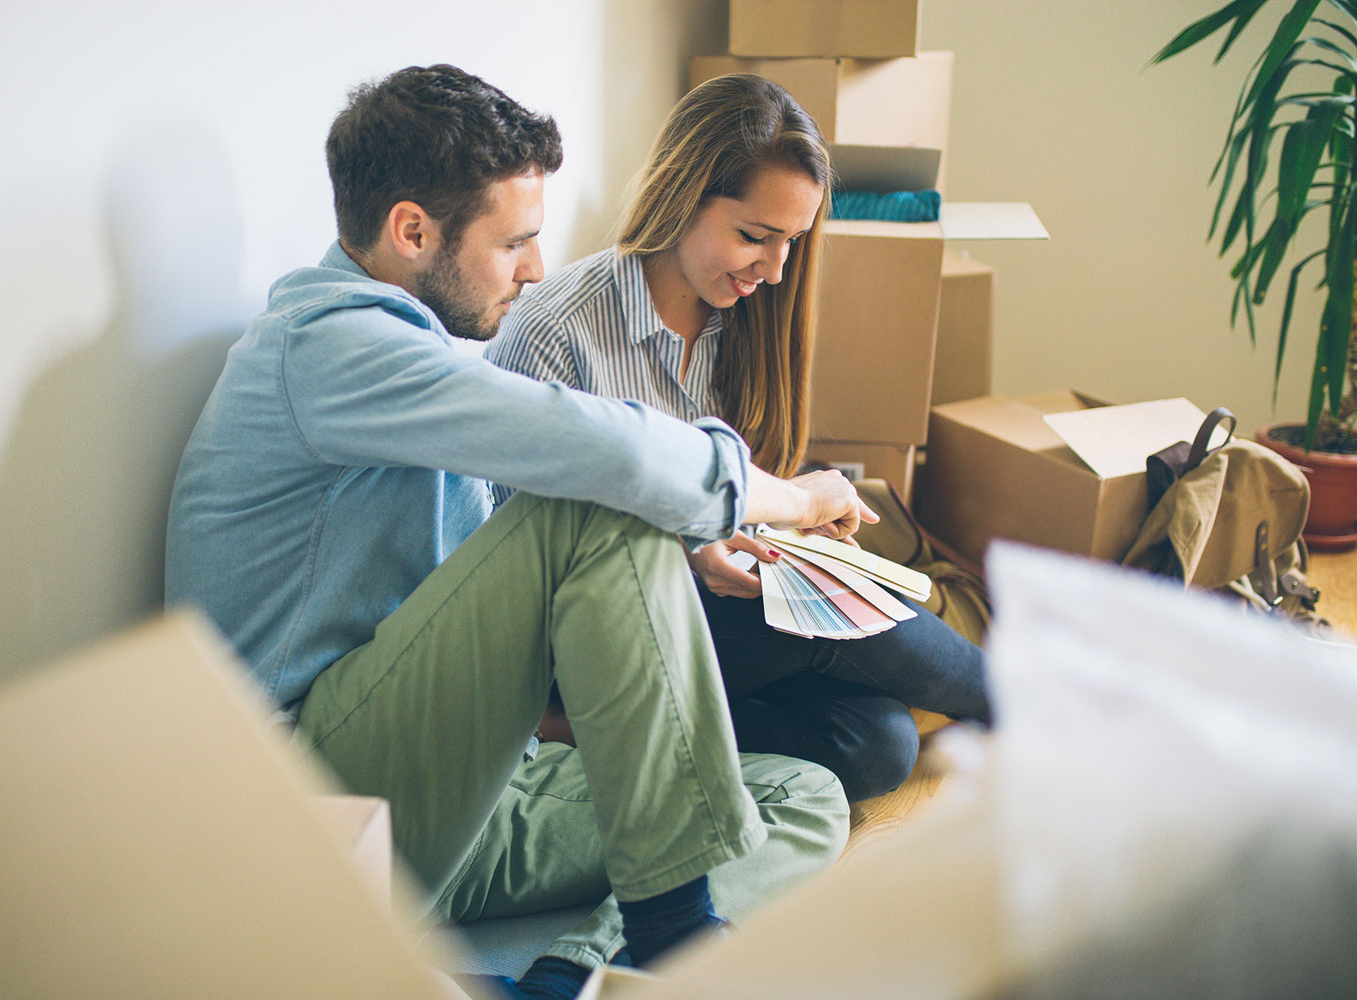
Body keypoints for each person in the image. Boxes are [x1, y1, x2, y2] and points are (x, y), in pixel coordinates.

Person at [165, 65, 865, 1000]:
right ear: (413, 231)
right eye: (517, 243)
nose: (537, 270)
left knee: (799, 796)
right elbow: (596, 450)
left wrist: (684, 561)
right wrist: (794, 498)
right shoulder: (328, 347)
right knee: (596, 496)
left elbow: (498, 571)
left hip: (466, 796)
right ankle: (667, 945)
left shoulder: (415, 355)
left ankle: (570, 980)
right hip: (323, 806)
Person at [486, 73, 992, 804]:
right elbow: (528, 555)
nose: (777, 269)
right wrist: (691, 547)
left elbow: (741, 499)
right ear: (682, 197)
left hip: (710, 617)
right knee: (837, 627)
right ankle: (1041, 703)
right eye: (754, 237)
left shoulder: (745, 324)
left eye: (791, 242)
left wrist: (786, 543)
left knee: (879, 742)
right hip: (590, 633)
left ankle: (588, 733)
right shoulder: (559, 335)